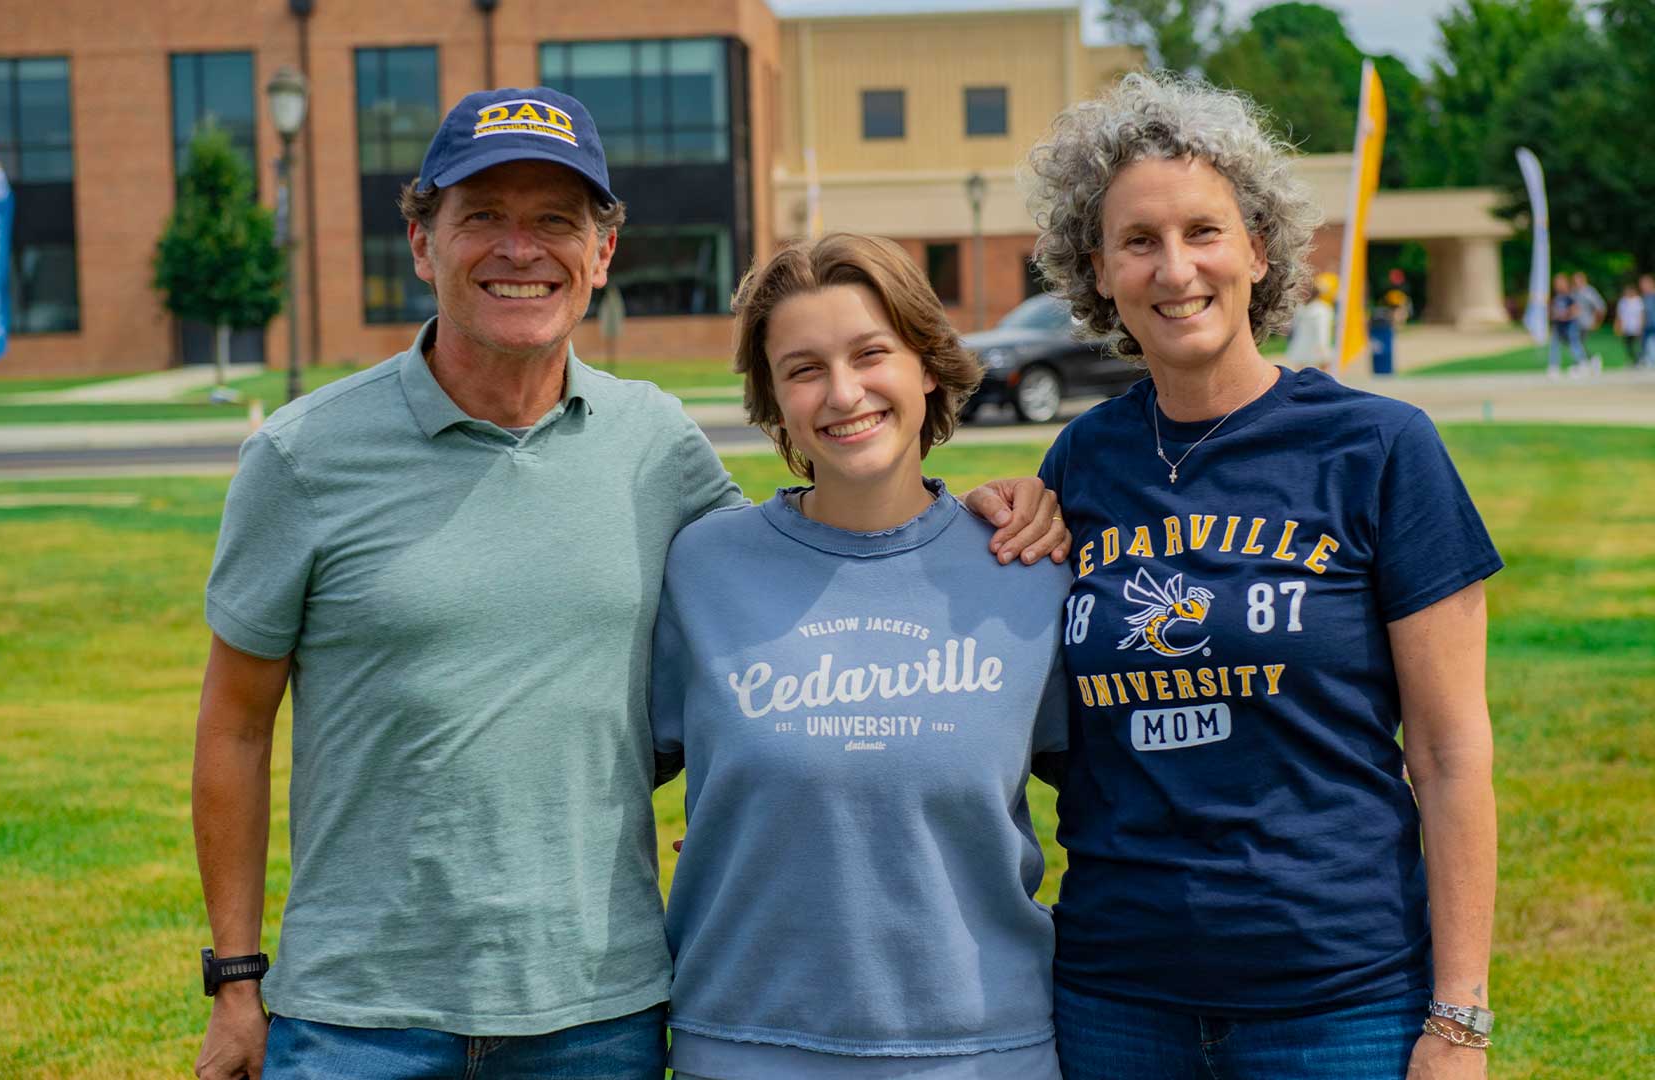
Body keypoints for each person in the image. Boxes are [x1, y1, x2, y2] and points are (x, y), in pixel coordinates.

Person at [191, 87, 1068, 1080]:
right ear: (422, 242)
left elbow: (814, 566)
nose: (519, 249)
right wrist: (236, 979)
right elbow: (236, 725)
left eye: (555, 222)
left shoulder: (658, 448)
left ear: (602, 251)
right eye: (483, 216)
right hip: (360, 1016)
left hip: (599, 1014)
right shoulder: (303, 456)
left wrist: (989, 514)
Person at [1025, 72, 1502, 1080]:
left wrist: (1458, 1019)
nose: (1175, 268)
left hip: (1339, 1002)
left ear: (1258, 248)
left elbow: (1451, 752)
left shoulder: (1380, 448)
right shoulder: (1081, 461)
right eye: (1138, 241)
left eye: (1203, 231)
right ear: (1098, 272)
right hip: (1116, 1001)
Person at [651, 233, 1071, 1080]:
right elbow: (605, 784)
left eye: (871, 354)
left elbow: (1120, 809)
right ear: (773, 398)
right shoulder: (701, 568)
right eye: (803, 369)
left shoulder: (1028, 566)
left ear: (927, 365)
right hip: (745, 1050)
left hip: (983, 1054)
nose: (843, 393)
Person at [1283, 270, 1337, 372]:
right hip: (1317, 347)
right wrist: (1323, 347)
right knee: (1323, 373)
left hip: (1300, 344)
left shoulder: (1301, 308)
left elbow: (1293, 326)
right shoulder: (1323, 309)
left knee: (1300, 372)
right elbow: (1322, 330)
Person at [1548, 272, 1588, 376]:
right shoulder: (1556, 297)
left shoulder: (1570, 296)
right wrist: (1554, 315)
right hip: (1558, 325)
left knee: (1574, 343)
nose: (1558, 286)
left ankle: (1582, 363)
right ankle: (1554, 366)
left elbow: (1576, 309)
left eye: (1560, 283)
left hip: (1570, 325)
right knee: (1554, 345)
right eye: (1556, 283)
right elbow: (1552, 310)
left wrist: (1565, 315)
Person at [1571, 272, 1606, 372]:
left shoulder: (1589, 292)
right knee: (1577, 343)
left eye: (1578, 280)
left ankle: (1583, 362)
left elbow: (1600, 307)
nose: (1576, 282)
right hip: (1576, 323)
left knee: (1577, 342)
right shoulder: (1574, 292)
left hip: (1586, 322)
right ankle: (1591, 360)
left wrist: (1597, 322)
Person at [1616, 283, 1645, 366]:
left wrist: (1641, 326)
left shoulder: (1638, 301)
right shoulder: (1622, 302)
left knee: (1638, 345)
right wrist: (1618, 326)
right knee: (1628, 345)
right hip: (1626, 327)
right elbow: (1620, 315)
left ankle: (1640, 360)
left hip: (1636, 327)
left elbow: (1641, 315)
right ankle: (1633, 360)